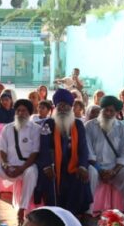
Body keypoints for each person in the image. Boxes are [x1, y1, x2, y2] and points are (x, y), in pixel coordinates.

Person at [0, 99, 40, 224]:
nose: (21, 113)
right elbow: (1, 150)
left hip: (25, 167)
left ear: (29, 113)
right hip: (8, 166)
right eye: (18, 110)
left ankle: (22, 209)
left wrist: (21, 169)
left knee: (31, 173)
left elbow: (35, 153)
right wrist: (5, 165)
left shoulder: (36, 129)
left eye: (24, 111)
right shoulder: (8, 128)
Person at [35, 89, 93, 217]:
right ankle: (54, 215)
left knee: (80, 177)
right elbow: (44, 148)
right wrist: (46, 166)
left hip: (73, 166)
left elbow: (83, 148)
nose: (63, 108)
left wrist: (82, 166)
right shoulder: (48, 124)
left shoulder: (78, 124)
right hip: (53, 165)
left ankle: (73, 214)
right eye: (60, 105)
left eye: (66, 105)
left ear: (71, 107)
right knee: (49, 179)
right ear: (55, 107)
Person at [86, 95, 124, 213]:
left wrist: (113, 171)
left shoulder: (123, 128)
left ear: (117, 113)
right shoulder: (89, 126)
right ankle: (87, 212)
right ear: (101, 110)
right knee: (91, 173)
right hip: (96, 167)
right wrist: (100, 171)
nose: (108, 113)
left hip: (114, 168)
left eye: (112, 111)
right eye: (106, 110)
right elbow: (89, 153)